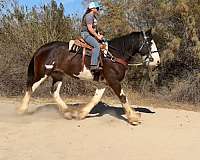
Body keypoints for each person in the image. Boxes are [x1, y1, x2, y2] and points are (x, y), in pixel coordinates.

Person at [80, 1, 104, 72]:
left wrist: (99, 35)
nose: (98, 9)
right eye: (97, 8)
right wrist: (97, 36)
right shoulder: (89, 16)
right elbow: (90, 29)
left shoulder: (94, 16)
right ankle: (93, 65)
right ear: (92, 8)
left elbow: (94, 29)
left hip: (91, 34)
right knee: (97, 46)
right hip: (86, 34)